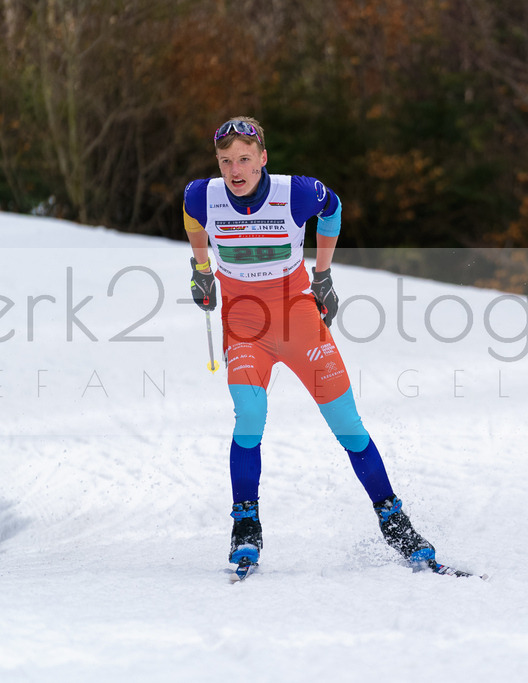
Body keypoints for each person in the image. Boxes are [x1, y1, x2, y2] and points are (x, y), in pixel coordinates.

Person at [183, 116, 437, 574]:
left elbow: (334, 209)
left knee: (348, 424)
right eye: (225, 162)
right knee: (250, 415)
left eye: (244, 159)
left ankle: (394, 521)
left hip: (298, 317)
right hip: (244, 324)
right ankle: (246, 525)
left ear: (262, 158)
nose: (235, 171)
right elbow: (190, 215)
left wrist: (323, 274)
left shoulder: (295, 192)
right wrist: (201, 268)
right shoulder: (202, 194)